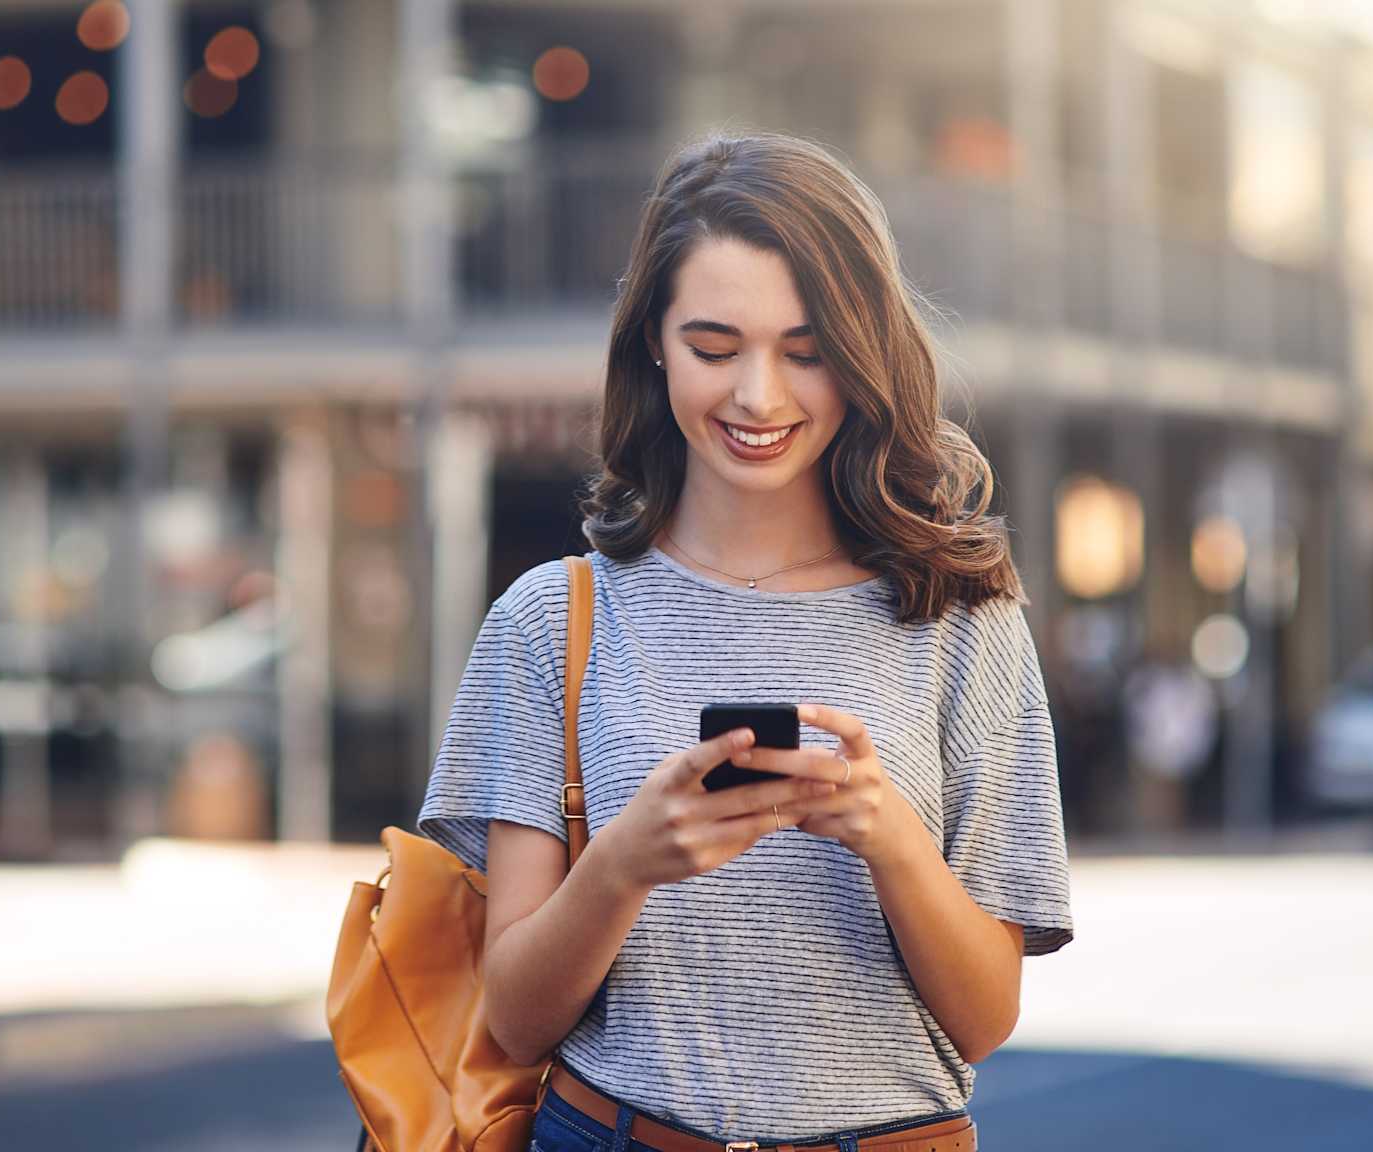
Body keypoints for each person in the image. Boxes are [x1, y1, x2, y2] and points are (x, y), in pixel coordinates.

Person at [416, 132, 1073, 1149]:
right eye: (713, 349)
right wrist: (624, 862)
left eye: (805, 352)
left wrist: (886, 833)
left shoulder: (960, 615)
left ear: (863, 354)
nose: (757, 396)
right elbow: (512, 1012)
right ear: (652, 342)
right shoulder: (551, 619)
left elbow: (984, 1021)